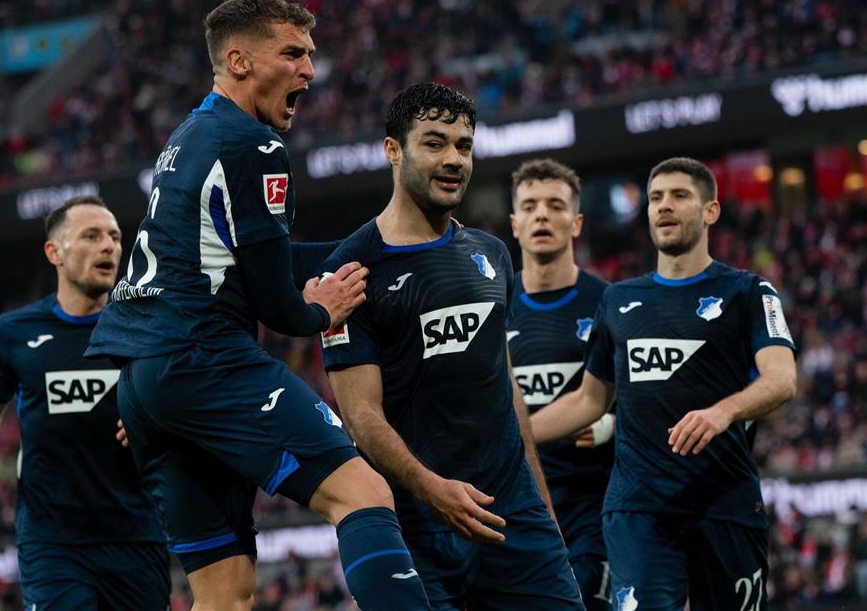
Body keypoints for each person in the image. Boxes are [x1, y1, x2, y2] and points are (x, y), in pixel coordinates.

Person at [85, 0, 431, 611]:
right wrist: (323, 311)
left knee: (225, 594)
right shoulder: (255, 145)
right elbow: (279, 305)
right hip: (206, 359)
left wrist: (379, 252)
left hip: (144, 383)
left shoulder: (190, 135)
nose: (309, 71)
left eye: (311, 55)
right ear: (239, 61)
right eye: (293, 53)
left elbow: (259, 258)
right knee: (363, 495)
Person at [319, 83, 584, 610]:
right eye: (435, 143)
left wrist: (541, 501)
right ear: (393, 150)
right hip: (422, 523)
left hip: (515, 517)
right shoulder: (349, 272)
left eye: (463, 146)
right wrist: (430, 487)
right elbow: (361, 415)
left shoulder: (491, 254)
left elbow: (505, 386)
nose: (453, 160)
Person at [530, 157, 797, 610]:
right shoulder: (618, 300)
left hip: (725, 503)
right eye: (655, 198)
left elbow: (782, 379)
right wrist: (517, 433)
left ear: (710, 210)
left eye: (678, 196)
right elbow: (590, 399)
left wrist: (723, 410)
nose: (664, 206)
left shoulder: (749, 293)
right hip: (638, 509)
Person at [0, 196, 170, 610]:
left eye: (116, 237)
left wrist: (161, 418)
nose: (109, 246)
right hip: (52, 541)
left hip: (138, 534)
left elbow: (186, 406)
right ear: (55, 252)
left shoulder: (149, 326)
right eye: (92, 236)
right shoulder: (12, 333)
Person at [506, 158, 614, 610]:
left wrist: (612, 425)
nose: (542, 216)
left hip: (594, 504)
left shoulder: (610, 302)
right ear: (514, 224)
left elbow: (649, 398)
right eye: (529, 207)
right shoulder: (489, 308)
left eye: (555, 205)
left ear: (577, 222)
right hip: (512, 502)